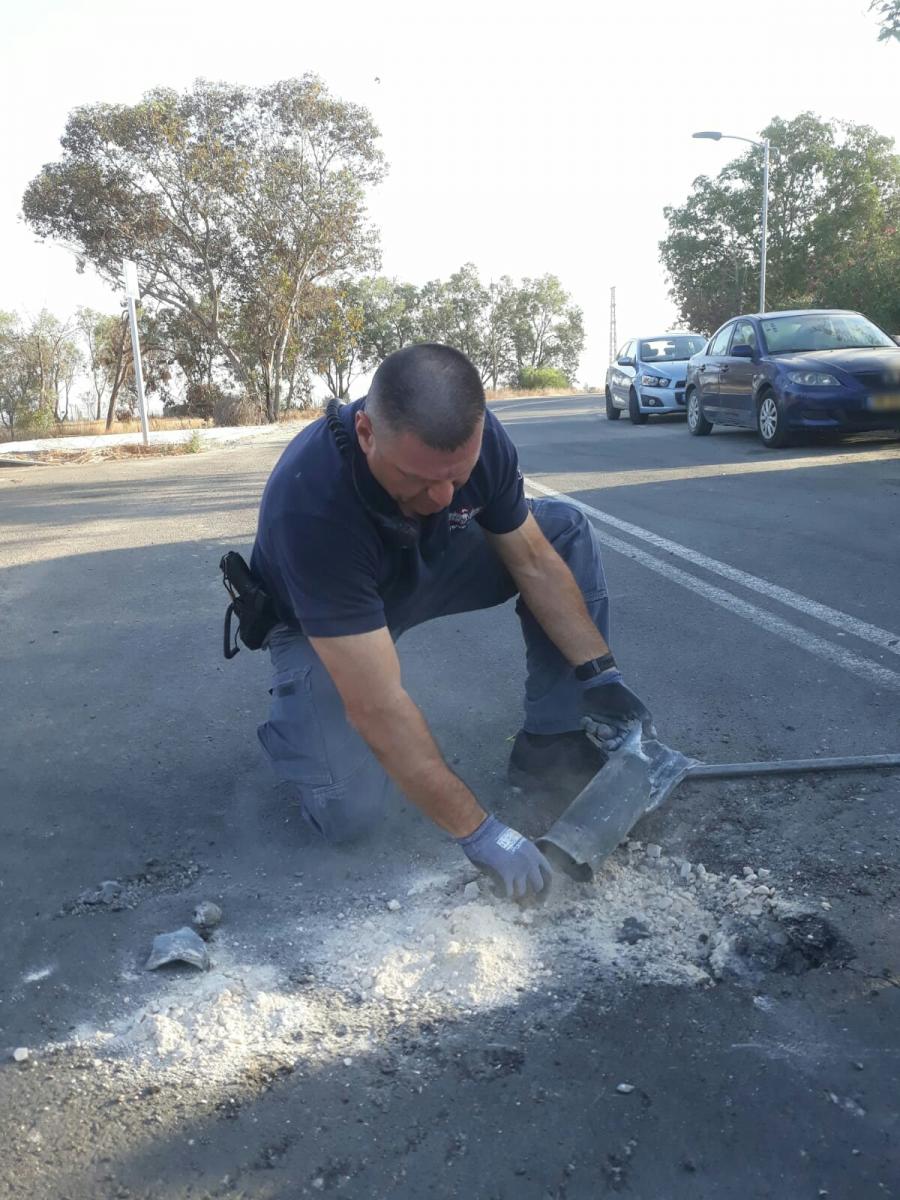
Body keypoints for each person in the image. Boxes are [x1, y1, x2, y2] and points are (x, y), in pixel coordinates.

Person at [250, 343, 652, 899]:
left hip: (423, 567)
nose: (441, 497)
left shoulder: (475, 446)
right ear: (366, 432)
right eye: (417, 479)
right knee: (351, 815)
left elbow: (532, 558)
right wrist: (480, 832)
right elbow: (378, 702)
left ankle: (551, 741)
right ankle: (298, 735)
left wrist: (598, 673)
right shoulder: (312, 507)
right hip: (324, 622)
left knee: (560, 530)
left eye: (456, 479)